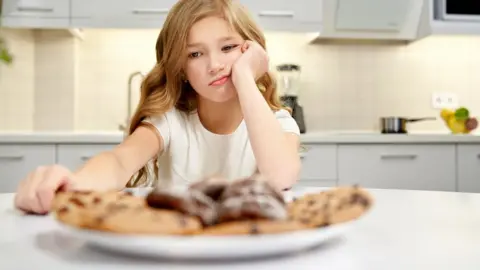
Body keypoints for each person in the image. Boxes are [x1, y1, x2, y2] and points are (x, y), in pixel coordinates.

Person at [14, 0, 301, 215]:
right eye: (195, 54)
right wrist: (72, 183)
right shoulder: (171, 121)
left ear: (252, 52)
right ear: (181, 68)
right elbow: (119, 162)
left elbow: (279, 176)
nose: (214, 65)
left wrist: (245, 78)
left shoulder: (278, 123)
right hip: (177, 248)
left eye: (227, 48)